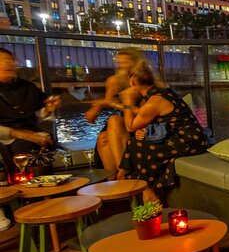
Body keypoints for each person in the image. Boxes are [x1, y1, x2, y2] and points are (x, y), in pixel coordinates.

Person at [117, 60, 208, 205]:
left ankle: (145, 190)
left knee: (138, 144)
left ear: (133, 81)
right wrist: (145, 129)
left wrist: (127, 101)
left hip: (189, 141)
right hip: (184, 136)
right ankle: (131, 182)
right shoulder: (163, 92)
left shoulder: (154, 100)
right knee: (134, 142)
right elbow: (163, 120)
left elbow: (130, 127)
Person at [0, 48, 60, 230]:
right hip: (5, 136)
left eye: (10, 60)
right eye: (3, 61)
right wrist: (22, 134)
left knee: (35, 149)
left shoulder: (26, 87)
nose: (8, 64)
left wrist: (48, 109)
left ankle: (42, 203)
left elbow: (37, 114)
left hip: (27, 134)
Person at [84, 48, 145, 177]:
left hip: (140, 120)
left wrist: (100, 104)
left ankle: (123, 172)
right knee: (103, 138)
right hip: (124, 120)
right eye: (119, 63)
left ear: (136, 63)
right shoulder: (114, 80)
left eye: (125, 62)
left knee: (112, 121)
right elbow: (109, 101)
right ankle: (115, 179)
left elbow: (142, 109)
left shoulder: (143, 80)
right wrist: (97, 107)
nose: (121, 66)